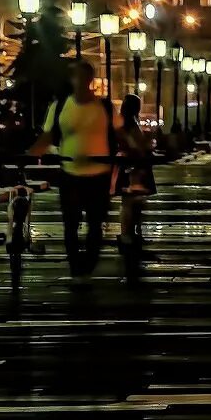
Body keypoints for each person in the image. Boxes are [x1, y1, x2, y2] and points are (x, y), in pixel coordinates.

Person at [29, 61, 116, 283]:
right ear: (72, 80)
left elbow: (122, 132)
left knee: (95, 224)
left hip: (99, 173)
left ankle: (88, 264)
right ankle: (76, 268)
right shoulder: (60, 107)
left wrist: (138, 148)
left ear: (90, 80)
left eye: (84, 77)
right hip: (70, 173)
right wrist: (28, 156)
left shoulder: (104, 108)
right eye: (76, 77)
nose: (80, 82)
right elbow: (48, 136)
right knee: (70, 223)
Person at [115, 93, 156, 251]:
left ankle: (130, 234)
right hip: (133, 166)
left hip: (131, 164)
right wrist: (145, 146)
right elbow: (134, 145)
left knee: (131, 202)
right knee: (131, 202)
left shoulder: (125, 122)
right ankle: (128, 234)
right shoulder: (129, 124)